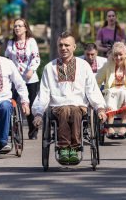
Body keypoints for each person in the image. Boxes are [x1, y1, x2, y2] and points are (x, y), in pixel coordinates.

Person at [32, 31, 107, 163]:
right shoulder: (49, 68)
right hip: (57, 106)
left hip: (79, 106)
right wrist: (38, 113)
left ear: (74, 47)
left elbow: (92, 89)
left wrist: (100, 108)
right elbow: (44, 92)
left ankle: (74, 148)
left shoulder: (84, 66)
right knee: (66, 109)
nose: (63, 48)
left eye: (67, 45)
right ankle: (64, 148)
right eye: (60, 45)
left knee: (73, 110)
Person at [5, 18, 41, 140]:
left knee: (30, 105)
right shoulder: (10, 43)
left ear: (25, 28)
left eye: (20, 26)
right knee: (11, 103)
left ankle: (33, 131)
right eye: (15, 26)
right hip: (15, 79)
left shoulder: (31, 41)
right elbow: (6, 58)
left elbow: (36, 57)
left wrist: (31, 69)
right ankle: (11, 129)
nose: (17, 28)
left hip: (30, 78)